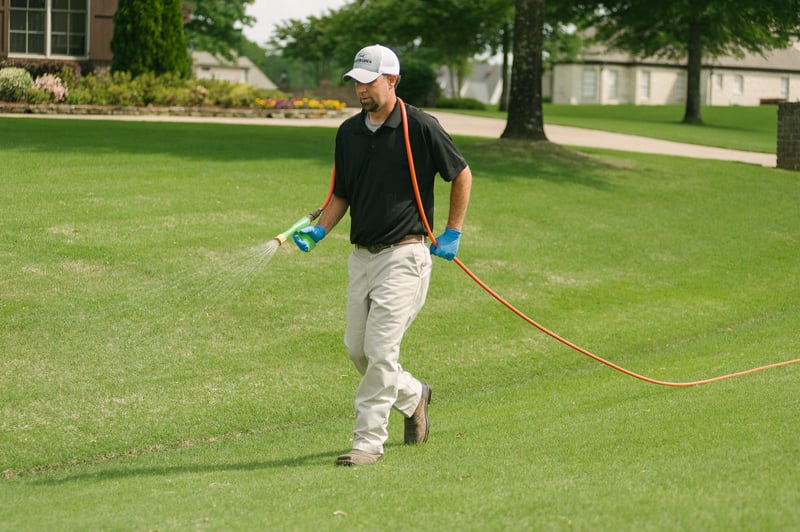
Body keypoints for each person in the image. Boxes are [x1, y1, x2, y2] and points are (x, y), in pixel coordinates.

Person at [293, 44, 473, 466]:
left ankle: (367, 444)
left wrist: (452, 232)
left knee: (379, 351)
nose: (360, 91)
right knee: (357, 350)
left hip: (405, 256)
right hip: (362, 258)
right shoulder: (348, 133)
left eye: (368, 82)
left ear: (392, 80)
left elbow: (460, 174)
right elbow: (341, 194)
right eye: (356, 82)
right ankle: (414, 397)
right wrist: (319, 230)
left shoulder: (421, 126)